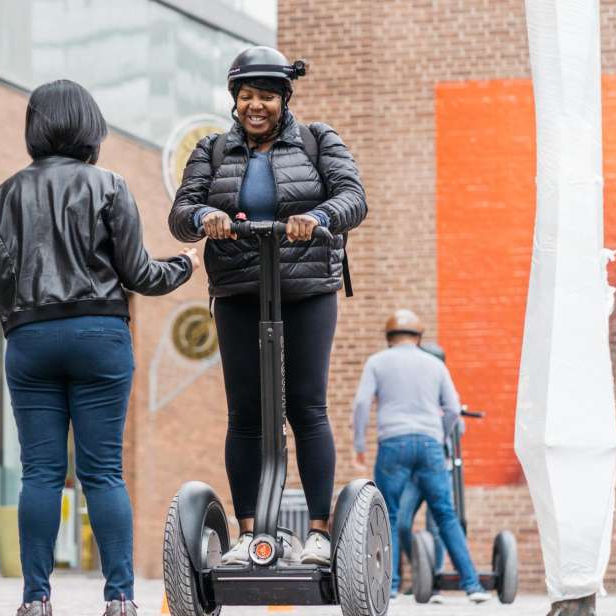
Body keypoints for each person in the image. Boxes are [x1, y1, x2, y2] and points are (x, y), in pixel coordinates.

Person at [0, 79, 197, 616]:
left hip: (28, 339)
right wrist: (185, 263)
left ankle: (36, 599)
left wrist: (21, 303)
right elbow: (140, 274)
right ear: (91, 128)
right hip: (99, 335)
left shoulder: (1, 196)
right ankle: (119, 599)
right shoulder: (109, 186)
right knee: (103, 472)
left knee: (40, 474)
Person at [167, 45, 366, 566]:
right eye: (247, 96)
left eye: (267, 97)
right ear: (235, 99)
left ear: (284, 99)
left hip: (305, 290)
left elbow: (354, 198)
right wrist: (205, 215)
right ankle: (250, 535)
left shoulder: (318, 140)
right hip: (238, 290)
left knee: (306, 406)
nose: (256, 106)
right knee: (247, 415)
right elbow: (181, 212)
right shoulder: (211, 150)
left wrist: (318, 216)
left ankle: (319, 534)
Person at [351, 309, 491, 603]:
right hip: (430, 444)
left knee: (387, 514)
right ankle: (473, 586)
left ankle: (389, 587)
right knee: (446, 515)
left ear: (389, 337)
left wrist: (360, 445)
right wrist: (437, 435)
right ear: (419, 336)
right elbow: (452, 409)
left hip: (393, 442)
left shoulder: (377, 362)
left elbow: (362, 403)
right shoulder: (434, 365)